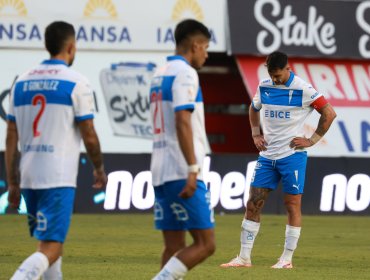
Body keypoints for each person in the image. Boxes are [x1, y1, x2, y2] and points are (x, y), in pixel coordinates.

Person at [5, 21, 107, 279]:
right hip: (57, 177)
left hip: (29, 177)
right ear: (71, 47)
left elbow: (10, 138)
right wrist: (98, 167)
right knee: (51, 247)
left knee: (49, 245)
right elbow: (90, 135)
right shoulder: (76, 83)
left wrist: (13, 182)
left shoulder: (21, 83)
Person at [220, 51, 337, 269]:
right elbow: (254, 108)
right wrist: (256, 133)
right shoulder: (264, 86)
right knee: (253, 204)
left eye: (278, 75)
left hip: (292, 156)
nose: (275, 79)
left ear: (288, 69)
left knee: (292, 205)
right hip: (267, 156)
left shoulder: (303, 89)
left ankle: (286, 260)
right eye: (272, 75)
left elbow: (329, 113)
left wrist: (312, 140)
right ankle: (244, 258)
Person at [150, 19, 215, 280]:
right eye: (206, 48)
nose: (207, 54)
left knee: (174, 246)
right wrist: (192, 168)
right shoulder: (186, 73)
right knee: (206, 244)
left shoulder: (159, 72)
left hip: (159, 168)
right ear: (196, 45)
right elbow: (182, 120)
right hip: (181, 168)